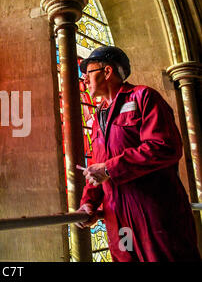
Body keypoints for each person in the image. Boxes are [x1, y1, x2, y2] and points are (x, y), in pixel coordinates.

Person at [75, 46, 201, 262]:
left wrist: (108, 169)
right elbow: (96, 166)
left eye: (89, 71)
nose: (84, 78)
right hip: (119, 223)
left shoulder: (144, 97)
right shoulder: (98, 118)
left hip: (155, 217)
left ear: (107, 72)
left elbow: (164, 146)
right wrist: (89, 202)